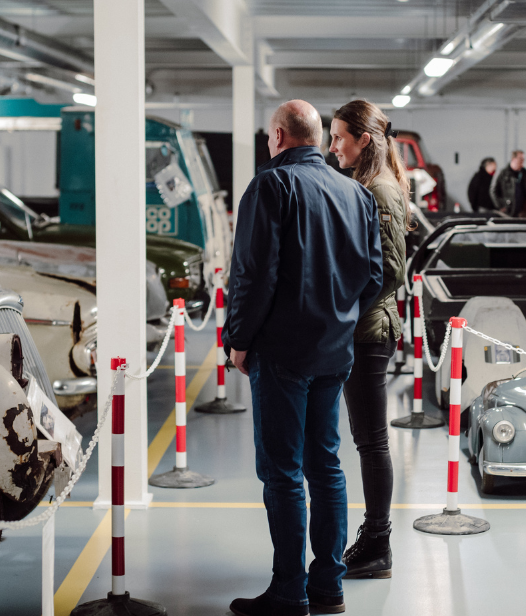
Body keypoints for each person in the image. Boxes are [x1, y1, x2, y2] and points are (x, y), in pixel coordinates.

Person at [223, 100, 383, 616]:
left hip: (283, 352)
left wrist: (239, 340)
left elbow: (253, 274)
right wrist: (337, 320)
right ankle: (329, 588)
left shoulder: (271, 186)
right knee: (326, 466)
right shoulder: (356, 193)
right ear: (316, 138)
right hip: (334, 353)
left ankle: (289, 591)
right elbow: (374, 277)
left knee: (283, 472)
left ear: (278, 135)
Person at [326, 99, 409, 581]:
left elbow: (392, 270)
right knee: (366, 437)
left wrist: (342, 308)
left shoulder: (378, 188)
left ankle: (378, 542)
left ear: (364, 140)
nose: (332, 146)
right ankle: (374, 537)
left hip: (367, 332)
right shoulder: (366, 183)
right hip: (362, 328)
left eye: (339, 137)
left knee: (372, 439)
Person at [490, 150, 526, 218]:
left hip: (522, 212)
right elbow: (493, 190)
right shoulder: (502, 173)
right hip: (507, 211)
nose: (522, 161)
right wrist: (500, 205)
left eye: (523, 159)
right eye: (520, 158)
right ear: (514, 159)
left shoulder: (525, 174)